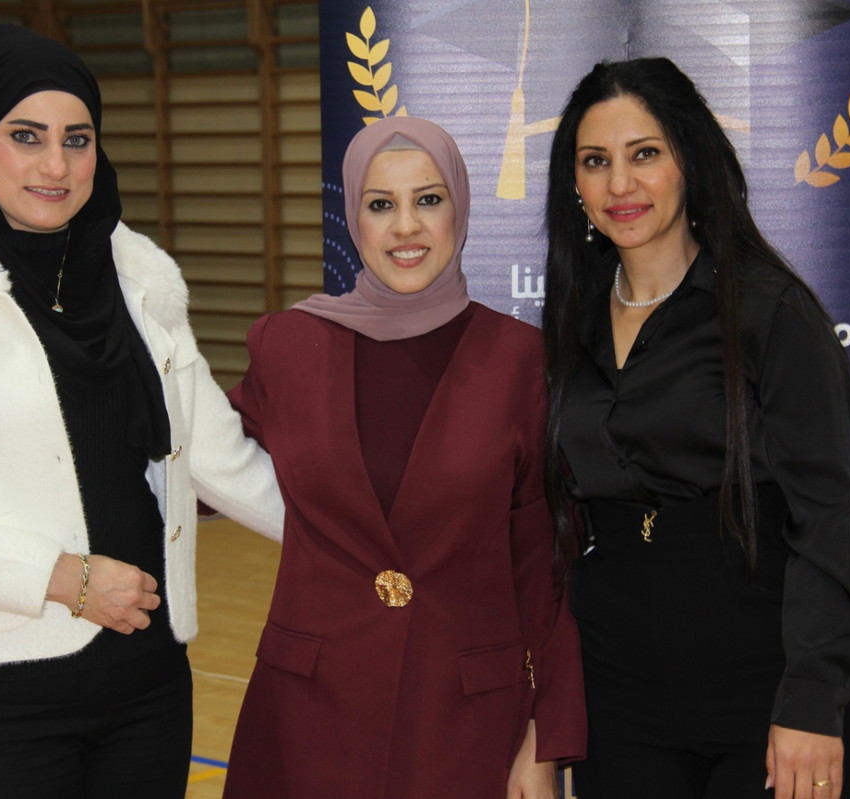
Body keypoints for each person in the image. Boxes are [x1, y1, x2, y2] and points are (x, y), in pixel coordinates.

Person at [0, 24, 283, 798]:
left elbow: (223, 461)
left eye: (77, 139)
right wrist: (62, 578)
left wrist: (374, 542)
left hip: (146, 681)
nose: (56, 165)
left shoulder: (139, 285)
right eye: (26, 136)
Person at [541, 57, 850, 799]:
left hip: (768, 690)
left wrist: (812, 699)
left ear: (689, 162)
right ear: (574, 184)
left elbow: (827, 518)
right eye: (595, 161)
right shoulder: (570, 323)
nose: (620, 184)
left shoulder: (770, 313)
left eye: (645, 154)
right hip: (621, 697)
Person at [220, 116, 586, 799]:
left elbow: (544, 565)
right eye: (381, 204)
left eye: (429, 199)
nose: (406, 226)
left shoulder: (523, 361)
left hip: (465, 725)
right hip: (308, 720)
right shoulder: (287, 346)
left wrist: (545, 731)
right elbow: (198, 463)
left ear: (459, 210)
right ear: (354, 219)